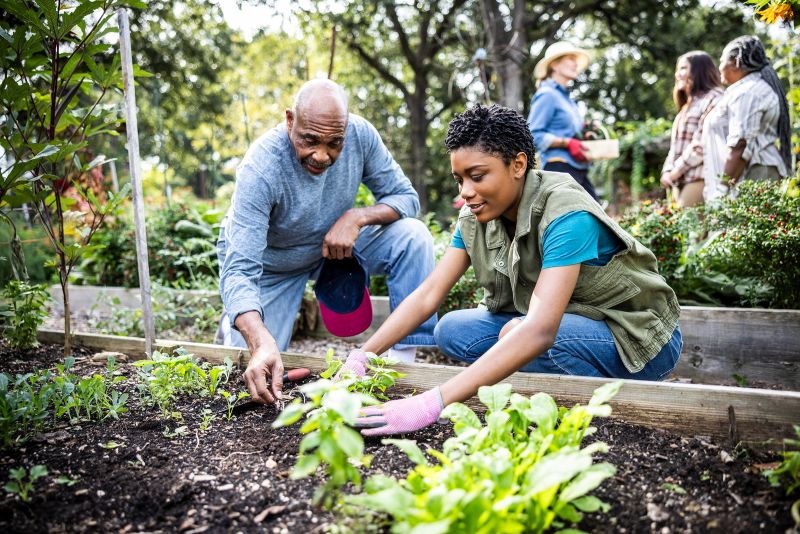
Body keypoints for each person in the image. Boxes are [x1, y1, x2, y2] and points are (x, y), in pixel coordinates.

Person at [338, 104, 682, 437]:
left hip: (636, 339)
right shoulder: (476, 215)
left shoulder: (566, 212)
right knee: (452, 330)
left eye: (477, 176)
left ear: (518, 164)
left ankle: (607, 406)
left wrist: (432, 403)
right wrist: (362, 356)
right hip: (568, 322)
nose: (465, 192)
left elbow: (539, 332)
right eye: (459, 179)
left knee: (521, 335)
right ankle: (541, 382)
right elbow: (429, 294)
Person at [217, 79, 437, 404]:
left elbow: (405, 197)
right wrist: (259, 339)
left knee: (413, 236)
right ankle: (233, 330)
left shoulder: (360, 135)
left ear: (346, 130)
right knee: (247, 374)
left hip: (334, 250)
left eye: (335, 143)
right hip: (273, 265)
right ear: (290, 120)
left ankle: (404, 363)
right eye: (310, 140)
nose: (322, 155)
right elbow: (238, 270)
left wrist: (356, 217)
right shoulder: (261, 168)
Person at [702, 35, 791, 202]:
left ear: (735, 62)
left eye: (722, 61)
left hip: (754, 175)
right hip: (750, 174)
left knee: (753, 227)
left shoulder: (748, 93)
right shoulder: (749, 89)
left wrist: (722, 189)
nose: (719, 67)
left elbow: (740, 145)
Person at [527, 41, 598, 201]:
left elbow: (572, 132)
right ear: (555, 65)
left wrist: (586, 131)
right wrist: (567, 143)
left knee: (597, 216)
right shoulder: (547, 94)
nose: (575, 64)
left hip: (577, 169)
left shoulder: (567, 99)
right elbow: (532, 136)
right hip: (558, 169)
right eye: (570, 59)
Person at [660, 51, 724, 207]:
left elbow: (701, 144)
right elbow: (675, 147)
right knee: (679, 228)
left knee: (689, 229)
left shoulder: (714, 98)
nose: (678, 74)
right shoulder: (687, 106)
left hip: (700, 177)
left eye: (683, 68)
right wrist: (667, 171)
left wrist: (675, 172)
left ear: (699, 70)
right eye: (678, 69)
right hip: (680, 179)